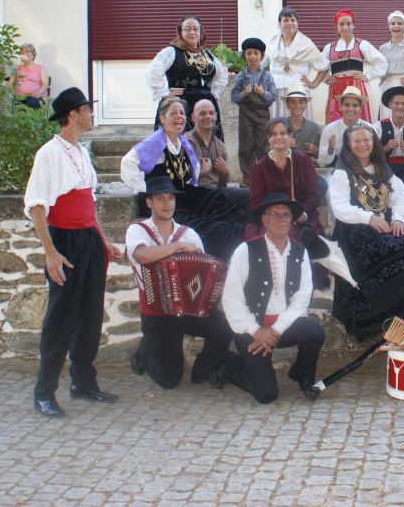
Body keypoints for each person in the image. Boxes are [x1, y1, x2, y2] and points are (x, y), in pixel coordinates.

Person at [23, 87, 123, 417]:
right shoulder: (48, 154)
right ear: (72, 115)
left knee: (90, 314)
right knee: (61, 317)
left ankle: (83, 381)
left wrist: (103, 239)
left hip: (88, 241)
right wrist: (50, 252)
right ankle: (43, 392)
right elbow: (37, 207)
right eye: (87, 110)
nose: (92, 115)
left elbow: (87, 204)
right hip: (64, 241)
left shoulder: (81, 151)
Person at [212, 193, 325, 402]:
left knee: (315, 332)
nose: (282, 219)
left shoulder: (300, 252)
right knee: (266, 394)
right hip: (250, 326)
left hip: (281, 326)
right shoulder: (245, 250)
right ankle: (230, 367)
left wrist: (275, 330)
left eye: (286, 215)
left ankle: (303, 374)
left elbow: (302, 297)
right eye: (275, 214)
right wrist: (256, 330)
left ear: (292, 220)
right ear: (264, 220)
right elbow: (231, 298)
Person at [126, 176, 234, 389]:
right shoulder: (138, 230)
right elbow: (142, 256)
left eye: (171, 198)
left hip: (188, 308)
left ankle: (201, 371)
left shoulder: (189, 234)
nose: (167, 204)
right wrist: (176, 247)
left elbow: (205, 271)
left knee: (224, 330)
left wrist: (215, 287)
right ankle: (144, 351)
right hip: (157, 312)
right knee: (169, 380)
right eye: (160, 198)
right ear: (149, 202)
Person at [329, 124, 404, 339]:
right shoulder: (342, 173)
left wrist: (396, 218)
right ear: (348, 145)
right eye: (356, 141)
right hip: (354, 232)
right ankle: (375, 317)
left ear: (374, 142)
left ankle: (402, 303)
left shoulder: (382, 168)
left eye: (366, 140)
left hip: (383, 226)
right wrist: (369, 218)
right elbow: (340, 208)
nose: (362, 144)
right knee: (387, 250)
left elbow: (399, 196)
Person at [120, 97, 245, 261]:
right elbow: (127, 163)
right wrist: (147, 190)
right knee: (212, 226)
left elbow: (191, 171)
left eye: (181, 113)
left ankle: (245, 237)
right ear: (162, 118)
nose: (179, 117)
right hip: (167, 200)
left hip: (185, 194)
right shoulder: (155, 143)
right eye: (173, 113)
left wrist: (199, 174)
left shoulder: (182, 143)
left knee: (220, 203)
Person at [147, 14, 229, 140]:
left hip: (205, 105)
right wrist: (163, 93)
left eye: (195, 29)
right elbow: (153, 70)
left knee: (206, 145)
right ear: (180, 32)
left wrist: (214, 93)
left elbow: (221, 74)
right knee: (180, 144)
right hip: (181, 104)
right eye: (187, 29)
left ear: (201, 32)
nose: (192, 32)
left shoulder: (207, 55)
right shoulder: (171, 52)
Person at [246, 118, 323, 241]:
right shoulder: (258, 167)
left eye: (283, 133)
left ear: (290, 136)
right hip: (272, 219)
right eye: (274, 134)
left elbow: (313, 193)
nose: (278, 137)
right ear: (268, 138)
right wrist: (274, 217)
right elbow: (256, 202)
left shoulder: (304, 160)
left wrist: (303, 213)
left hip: (301, 216)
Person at [311, 9, 387, 124]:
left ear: (353, 25)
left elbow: (382, 62)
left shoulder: (361, 44)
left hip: (356, 86)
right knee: (336, 120)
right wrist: (327, 79)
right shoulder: (329, 48)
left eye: (348, 23)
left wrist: (368, 76)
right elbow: (321, 65)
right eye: (341, 24)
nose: (345, 27)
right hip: (336, 89)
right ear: (336, 27)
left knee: (358, 120)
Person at [263, 7, 326, 120]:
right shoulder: (271, 42)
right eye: (285, 20)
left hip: (298, 90)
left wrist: (314, 83)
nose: (289, 23)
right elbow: (261, 64)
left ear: (297, 23)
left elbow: (323, 66)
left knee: (297, 125)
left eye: (293, 20)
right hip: (275, 89)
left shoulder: (306, 43)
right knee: (277, 124)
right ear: (279, 23)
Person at [230, 37, 277, 176]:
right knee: (246, 145)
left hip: (262, 115)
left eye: (255, 53)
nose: (252, 56)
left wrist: (262, 92)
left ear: (261, 56)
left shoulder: (267, 76)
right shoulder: (240, 77)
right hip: (245, 115)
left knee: (264, 144)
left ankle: (265, 175)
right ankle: (248, 176)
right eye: (249, 53)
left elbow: (273, 96)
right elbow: (234, 97)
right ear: (244, 55)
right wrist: (244, 93)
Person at [317, 86, 368, 167]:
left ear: (360, 109)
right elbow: (324, 161)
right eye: (347, 105)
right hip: (337, 169)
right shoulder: (330, 129)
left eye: (355, 105)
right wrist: (330, 149)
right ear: (340, 107)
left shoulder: (369, 129)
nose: (351, 109)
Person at [284, 87, 322, 161]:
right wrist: (284, 146)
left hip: (307, 169)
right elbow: (266, 151)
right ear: (287, 105)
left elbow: (324, 155)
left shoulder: (315, 128)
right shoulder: (279, 126)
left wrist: (316, 151)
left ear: (306, 104)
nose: (297, 105)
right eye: (292, 102)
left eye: (301, 102)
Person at [14, 43, 49, 109]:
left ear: (33, 54)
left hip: (35, 97)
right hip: (20, 96)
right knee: (16, 104)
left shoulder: (40, 68)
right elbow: (14, 83)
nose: (25, 54)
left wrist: (39, 92)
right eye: (23, 52)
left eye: (27, 51)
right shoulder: (18, 68)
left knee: (29, 104)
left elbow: (45, 84)